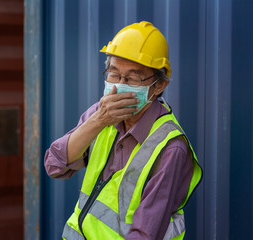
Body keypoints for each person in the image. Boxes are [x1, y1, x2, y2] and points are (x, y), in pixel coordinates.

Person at [44, 21, 202, 240]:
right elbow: (54, 165)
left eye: (133, 78)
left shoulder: (170, 147)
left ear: (158, 86)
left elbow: (145, 234)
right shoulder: (101, 114)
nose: (119, 86)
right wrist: (98, 121)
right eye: (113, 74)